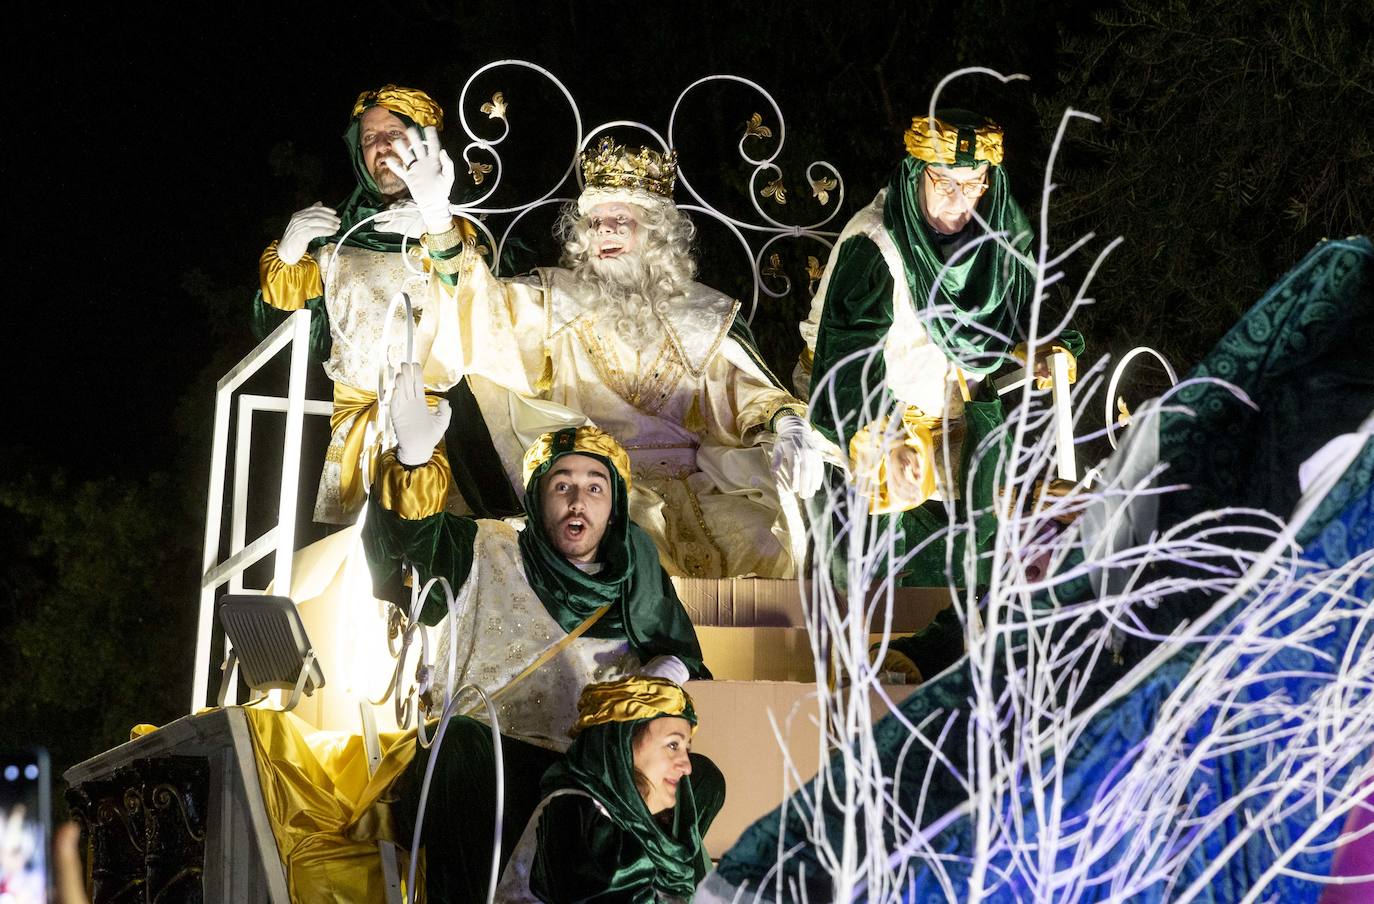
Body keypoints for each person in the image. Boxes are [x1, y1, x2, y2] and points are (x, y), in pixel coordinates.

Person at [390, 132, 826, 579]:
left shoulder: (704, 314)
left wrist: (788, 423)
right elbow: (478, 312)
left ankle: (758, 649)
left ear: (657, 234)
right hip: (599, 490)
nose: (605, 230)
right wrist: (437, 216)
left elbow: (748, 395)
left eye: (621, 218)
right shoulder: (555, 302)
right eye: (595, 222)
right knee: (631, 551)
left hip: (704, 486)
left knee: (764, 539)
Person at [798, 110, 1082, 680]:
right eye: (945, 185)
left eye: (974, 186)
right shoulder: (873, 244)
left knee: (994, 557)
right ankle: (871, 676)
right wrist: (885, 437)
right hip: (872, 434)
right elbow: (845, 362)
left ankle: (957, 666)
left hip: (959, 433)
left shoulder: (993, 234)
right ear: (915, 174)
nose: (960, 203)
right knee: (882, 561)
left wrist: (1026, 352)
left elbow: (974, 341)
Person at [253, 84, 518, 524]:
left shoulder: (470, 224)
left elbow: (488, 306)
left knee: (444, 555)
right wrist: (286, 257)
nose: (381, 148)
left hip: (446, 420)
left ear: (421, 139)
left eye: (394, 133)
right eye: (370, 138)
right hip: (356, 426)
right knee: (356, 567)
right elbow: (280, 339)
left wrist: (436, 221)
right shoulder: (334, 234)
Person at [495, 677, 726, 902]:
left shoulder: (648, 829)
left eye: (686, 748)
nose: (686, 766)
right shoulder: (577, 816)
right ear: (621, 744)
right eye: (672, 745)